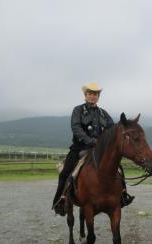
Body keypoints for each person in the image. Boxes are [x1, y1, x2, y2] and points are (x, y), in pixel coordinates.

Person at [52, 82, 134, 216]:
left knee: (118, 168)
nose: (92, 96)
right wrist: (90, 141)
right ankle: (60, 201)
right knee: (65, 172)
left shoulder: (103, 113)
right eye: (90, 93)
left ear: (98, 97)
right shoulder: (78, 110)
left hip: (100, 151)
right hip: (80, 148)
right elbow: (76, 128)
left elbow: (111, 130)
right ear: (85, 95)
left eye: (95, 94)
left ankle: (123, 195)